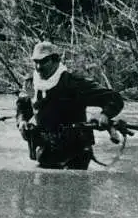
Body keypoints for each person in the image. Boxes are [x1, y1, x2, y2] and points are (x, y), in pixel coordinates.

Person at [16, 41, 124, 169]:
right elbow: (23, 106)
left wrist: (105, 114)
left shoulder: (73, 83)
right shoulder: (30, 84)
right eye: (36, 62)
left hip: (75, 152)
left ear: (56, 61)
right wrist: (22, 121)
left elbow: (114, 98)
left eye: (44, 61)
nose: (39, 67)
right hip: (45, 151)